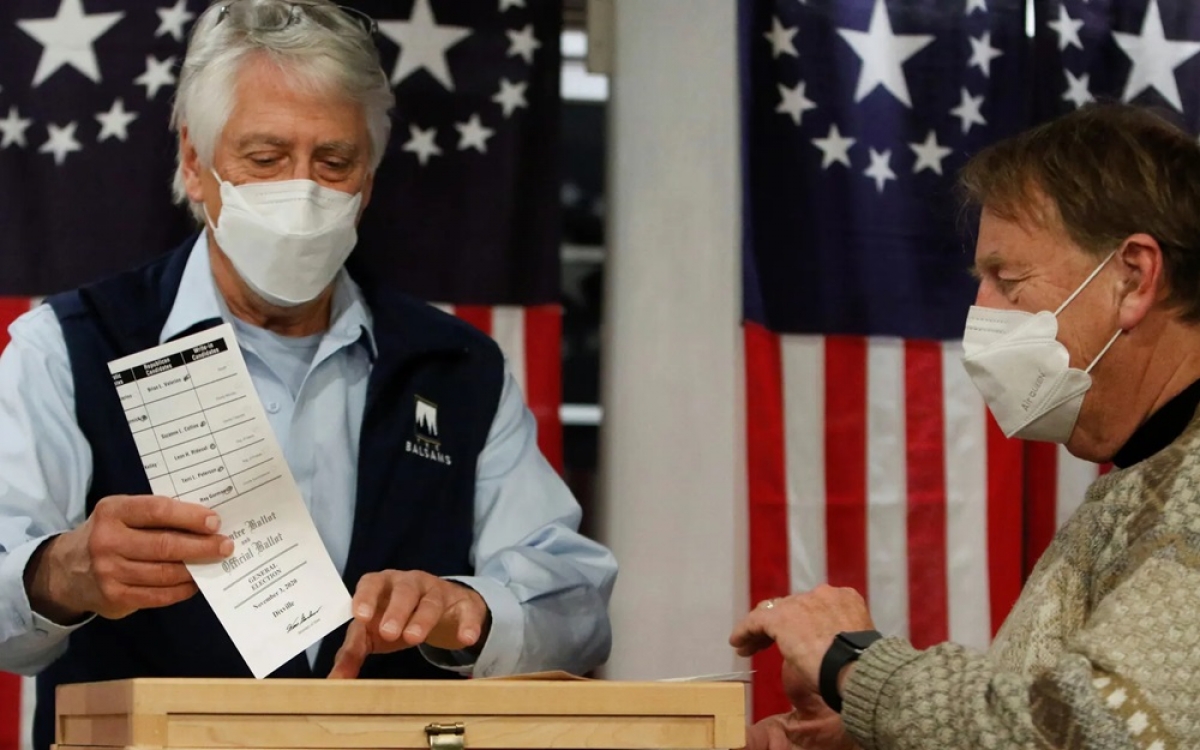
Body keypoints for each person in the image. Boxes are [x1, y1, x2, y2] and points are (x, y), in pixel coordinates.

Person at [0, 2, 617, 748]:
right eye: (264, 159)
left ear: (371, 178)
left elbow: (578, 607)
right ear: (195, 164)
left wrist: (471, 611)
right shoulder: (66, 349)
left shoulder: (456, 367)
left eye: (334, 162)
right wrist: (61, 574)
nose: (303, 191)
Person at [732, 102, 1200, 749]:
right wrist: (877, 733)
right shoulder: (1150, 474)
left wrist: (857, 667)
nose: (981, 310)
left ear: (1134, 278)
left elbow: (1103, 730)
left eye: (1006, 279)